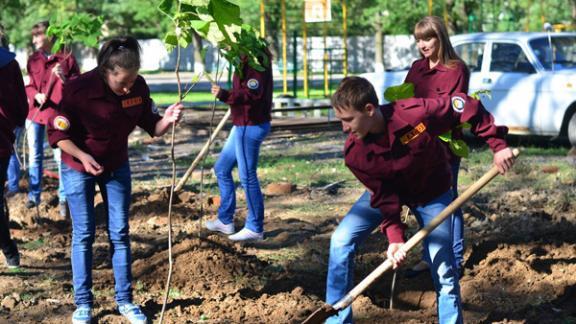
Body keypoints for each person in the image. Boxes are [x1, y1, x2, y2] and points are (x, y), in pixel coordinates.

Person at [326, 76, 515, 324]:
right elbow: (384, 196)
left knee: (443, 265)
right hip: (390, 193)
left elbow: (465, 105)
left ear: (369, 110)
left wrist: (498, 144)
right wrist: (395, 238)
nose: (344, 128)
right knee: (340, 240)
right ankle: (335, 319)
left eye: (348, 119)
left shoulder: (413, 114)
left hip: (431, 193)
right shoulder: (356, 154)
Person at [47, 36, 182, 324]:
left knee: (120, 233)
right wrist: (83, 157)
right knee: (84, 234)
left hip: (116, 166)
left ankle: (126, 301)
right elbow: (58, 135)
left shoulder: (138, 87)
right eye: (123, 82)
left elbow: (152, 126)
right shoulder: (77, 90)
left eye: (132, 80)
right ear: (106, 71)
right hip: (78, 166)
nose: (128, 87)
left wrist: (167, 119)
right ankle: (83, 304)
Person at [404, 16, 469, 277]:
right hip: (417, 146)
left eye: (428, 38)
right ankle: (428, 257)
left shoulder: (457, 69)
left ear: (440, 37)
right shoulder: (417, 68)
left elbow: (453, 111)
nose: (423, 44)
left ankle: (454, 258)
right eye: (419, 40)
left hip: (445, 147)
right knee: (423, 203)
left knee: (448, 200)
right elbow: (405, 105)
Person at [7, 21, 80, 218]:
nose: (33, 40)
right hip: (36, 114)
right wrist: (34, 94)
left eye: (37, 36)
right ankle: (34, 196)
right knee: (35, 156)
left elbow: (77, 87)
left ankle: (64, 199)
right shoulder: (33, 60)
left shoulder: (66, 57)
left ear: (48, 36)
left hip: (57, 116)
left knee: (60, 158)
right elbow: (29, 84)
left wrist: (64, 78)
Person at [204, 48, 273, 241]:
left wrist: (225, 95)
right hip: (241, 125)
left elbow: (252, 94)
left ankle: (255, 227)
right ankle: (225, 221)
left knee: (247, 176)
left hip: (250, 126)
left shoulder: (255, 62)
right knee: (221, 168)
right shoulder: (243, 61)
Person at [0, 44, 28, 268]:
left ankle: (9, 249)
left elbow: (19, 110)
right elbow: (20, 111)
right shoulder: (10, 65)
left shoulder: (7, 65)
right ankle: (9, 250)